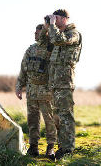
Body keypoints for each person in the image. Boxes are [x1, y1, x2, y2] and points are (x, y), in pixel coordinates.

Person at [38, 9, 82, 160]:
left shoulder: (73, 33)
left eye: (56, 18)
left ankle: (68, 149)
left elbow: (58, 39)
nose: (54, 20)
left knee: (65, 116)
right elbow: (42, 44)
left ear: (64, 19)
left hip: (65, 82)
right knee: (56, 117)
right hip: (54, 83)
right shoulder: (54, 32)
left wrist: (52, 26)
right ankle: (62, 147)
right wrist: (46, 28)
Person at [16, 24, 56, 160]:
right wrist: (18, 86)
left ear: (44, 34)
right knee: (32, 121)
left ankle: (51, 147)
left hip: (46, 92)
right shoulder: (30, 49)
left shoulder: (51, 49)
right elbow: (23, 69)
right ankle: (33, 147)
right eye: (34, 33)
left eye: (38, 33)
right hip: (31, 92)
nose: (35, 35)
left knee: (49, 120)